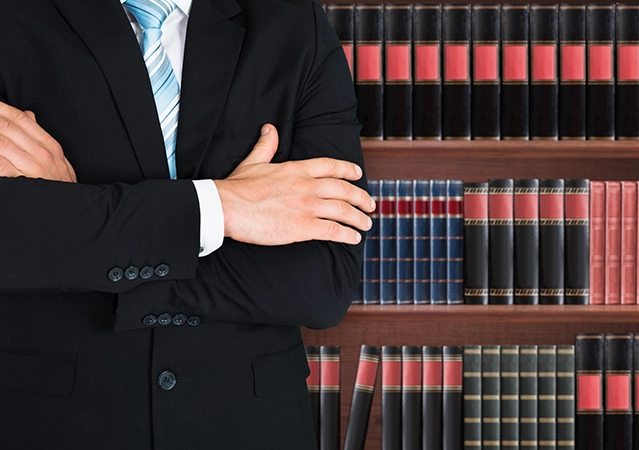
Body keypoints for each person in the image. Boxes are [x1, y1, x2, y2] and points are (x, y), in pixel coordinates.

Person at [0, 0, 371, 448]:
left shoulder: (293, 24)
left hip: (248, 426)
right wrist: (223, 207)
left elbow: (322, 283)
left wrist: (73, 219)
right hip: (49, 425)